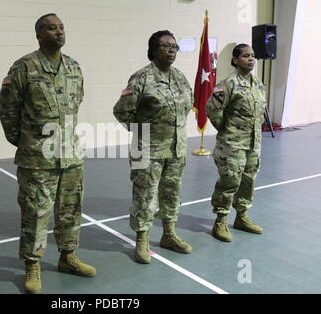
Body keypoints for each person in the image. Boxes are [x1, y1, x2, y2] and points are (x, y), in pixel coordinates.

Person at [0, 13, 96, 294]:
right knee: (35, 213)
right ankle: (32, 264)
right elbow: (7, 109)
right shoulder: (24, 68)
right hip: (37, 158)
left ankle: (68, 257)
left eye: (62, 27)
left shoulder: (74, 67)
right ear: (39, 35)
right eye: (52, 28)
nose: (59, 32)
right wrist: (25, 142)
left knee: (71, 210)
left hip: (71, 155)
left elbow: (76, 105)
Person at [113, 30, 193, 264]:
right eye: (166, 46)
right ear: (153, 49)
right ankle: (142, 240)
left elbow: (187, 105)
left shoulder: (180, 77)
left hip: (176, 149)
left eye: (175, 47)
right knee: (144, 196)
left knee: (172, 193)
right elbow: (121, 111)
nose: (171, 50)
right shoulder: (141, 78)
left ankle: (169, 234)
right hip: (147, 149)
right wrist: (143, 132)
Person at [206, 43, 265, 242]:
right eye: (246, 56)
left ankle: (241, 217)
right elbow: (212, 110)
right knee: (229, 182)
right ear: (235, 60)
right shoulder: (227, 84)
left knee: (248, 180)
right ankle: (220, 222)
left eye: (253, 55)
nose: (251, 59)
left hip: (252, 144)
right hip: (232, 144)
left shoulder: (257, 83)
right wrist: (225, 129)